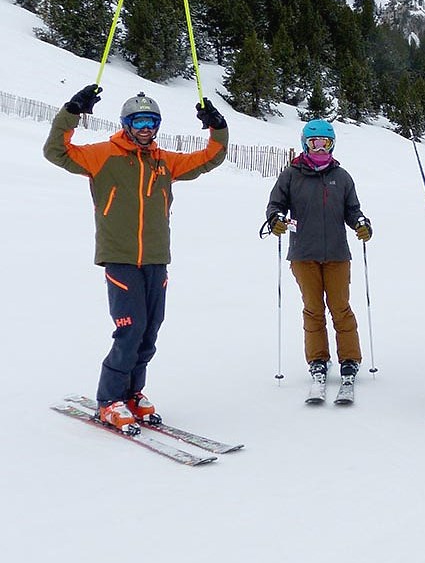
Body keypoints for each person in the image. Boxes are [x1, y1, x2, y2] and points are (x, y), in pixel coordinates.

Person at [44, 85, 228, 432]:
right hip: (120, 257)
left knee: (150, 332)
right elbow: (55, 151)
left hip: (156, 258)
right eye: (138, 121)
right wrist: (72, 111)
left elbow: (209, 158)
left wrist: (217, 126)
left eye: (151, 121)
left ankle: (132, 392)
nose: (145, 128)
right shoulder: (104, 155)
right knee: (130, 330)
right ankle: (109, 399)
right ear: (126, 123)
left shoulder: (164, 161)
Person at [266, 119, 373, 389]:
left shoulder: (342, 176)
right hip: (304, 254)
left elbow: (352, 210)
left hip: (337, 253)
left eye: (324, 142)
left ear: (332, 143)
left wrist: (361, 223)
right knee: (313, 309)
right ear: (305, 143)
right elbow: (275, 205)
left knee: (340, 307)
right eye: (314, 142)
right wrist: (276, 219)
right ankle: (318, 359)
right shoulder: (291, 175)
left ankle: (350, 358)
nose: (319, 147)